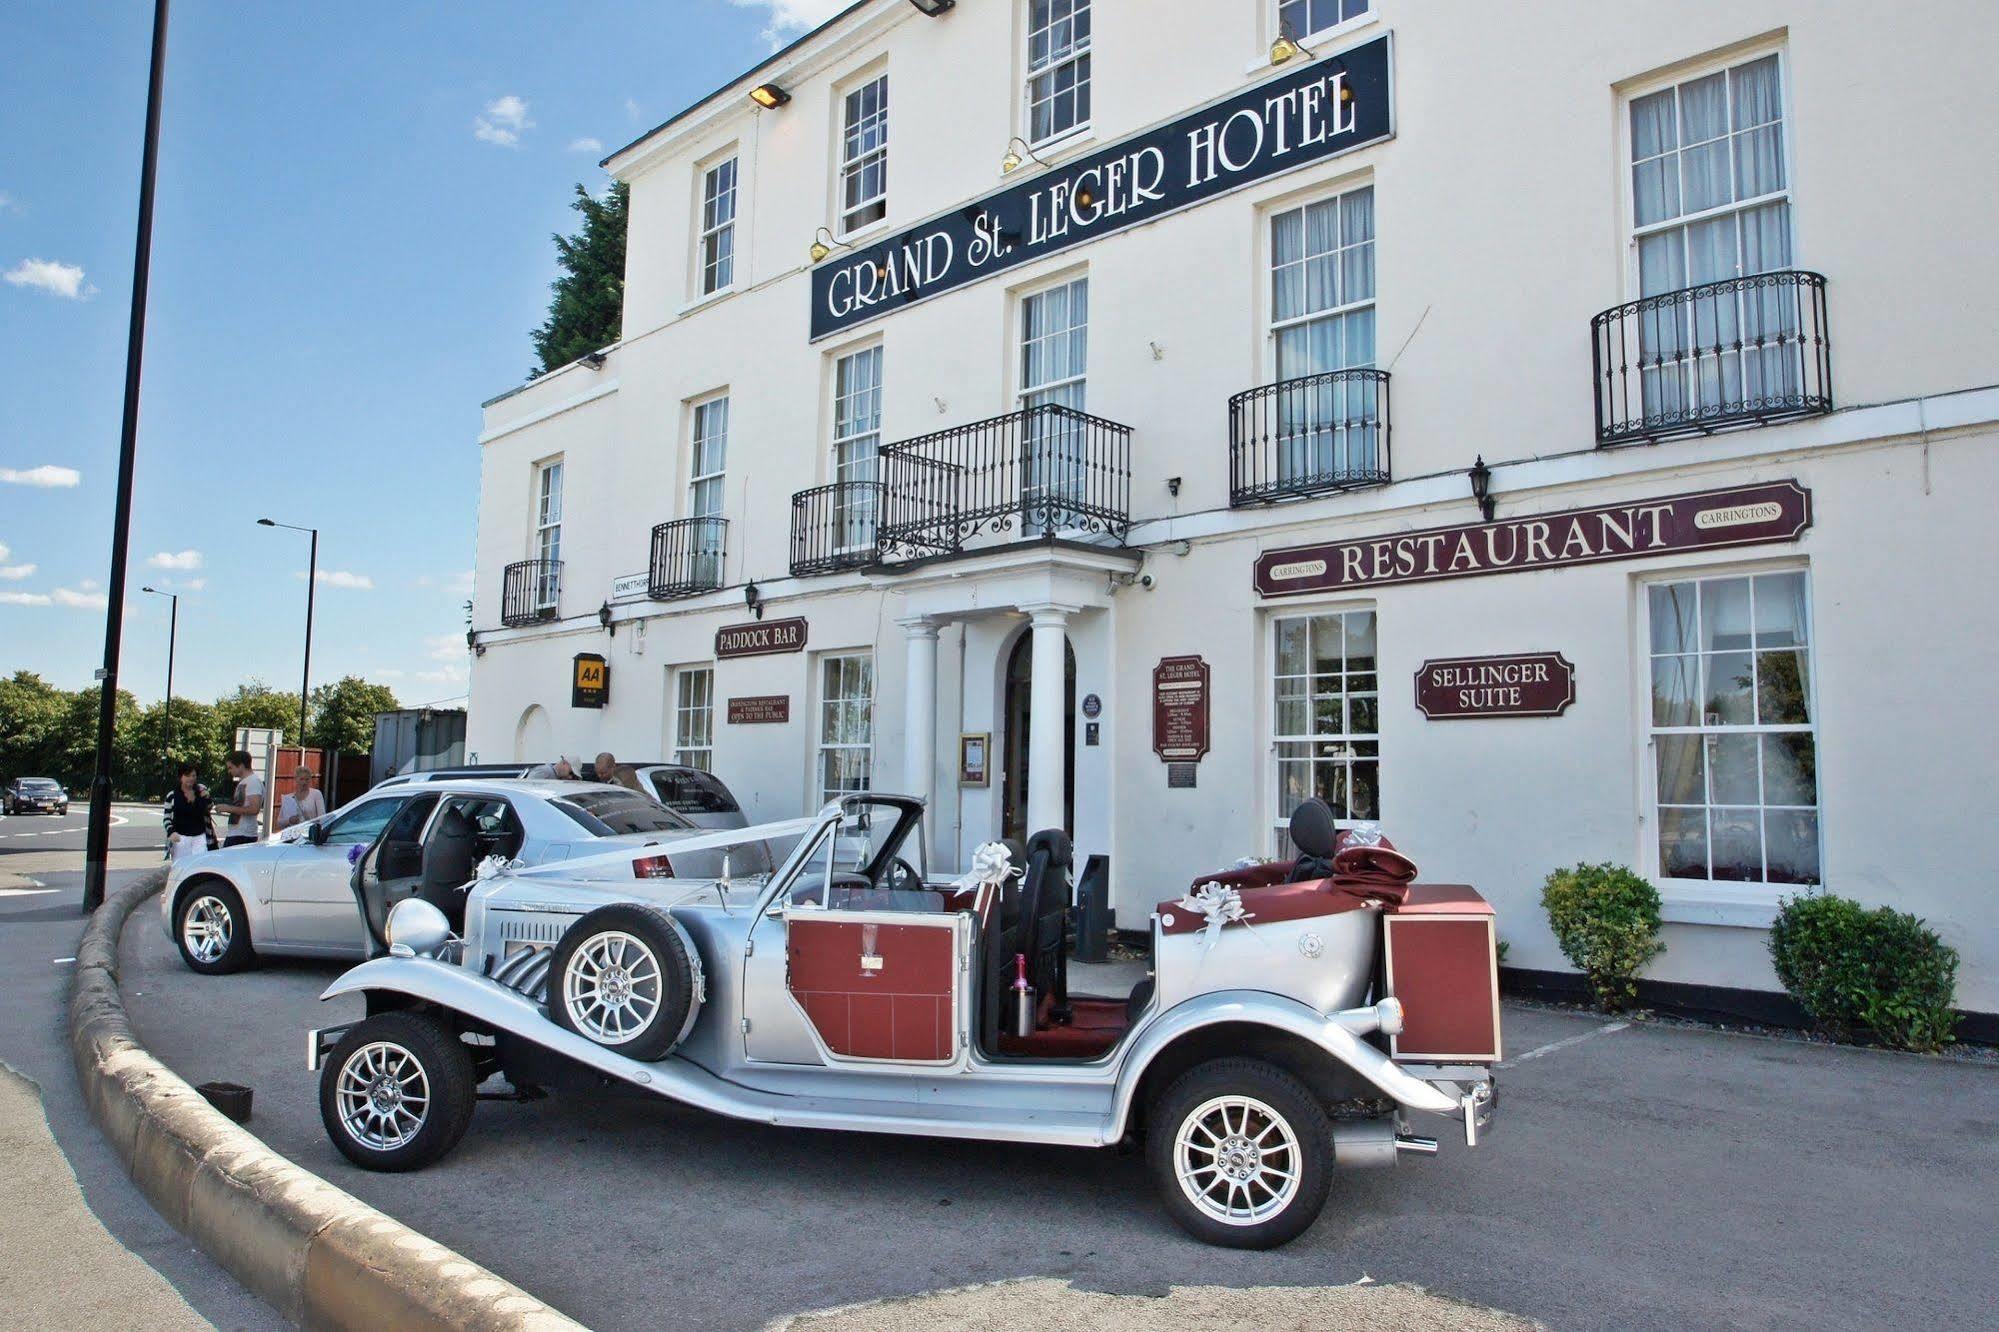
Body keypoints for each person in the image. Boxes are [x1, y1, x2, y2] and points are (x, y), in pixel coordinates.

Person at [162, 762, 216, 861]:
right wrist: (171, 832)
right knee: (181, 867)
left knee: (200, 865)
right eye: (187, 775)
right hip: (180, 838)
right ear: (180, 777)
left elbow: (209, 807)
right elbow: (167, 818)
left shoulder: (201, 791)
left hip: (200, 837)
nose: (191, 778)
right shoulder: (172, 795)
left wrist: (205, 797)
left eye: (193, 775)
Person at [212, 750, 266, 847]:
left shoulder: (253, 782)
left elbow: (254, 809)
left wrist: (228, 808)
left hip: (243, 834)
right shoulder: (244, 781)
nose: (229, 771)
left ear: (241, 765)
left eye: (231, 767)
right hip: (237, 832)